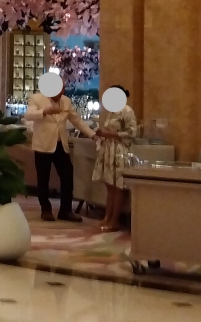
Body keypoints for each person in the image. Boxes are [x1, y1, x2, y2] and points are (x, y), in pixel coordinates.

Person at [24, 76, 95, 222]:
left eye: (62, 88)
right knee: (43, 179)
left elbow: (77, 121)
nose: (62, 91)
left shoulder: (66, 101)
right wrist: (45, 111)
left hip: (60, 144)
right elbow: (29, 115)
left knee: (67, 176)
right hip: (43, 145)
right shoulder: (37, 98)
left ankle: (65, 210)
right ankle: (46, 209)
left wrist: (92, 134)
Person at [92, 86, 138, 232]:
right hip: (109, 149)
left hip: (120, 151)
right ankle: (107, 217)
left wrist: (111, 134)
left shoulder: (127, 111)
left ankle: (115, 220)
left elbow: (132, 133)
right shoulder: (112, 111)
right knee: (109, 186)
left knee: (118, 187)